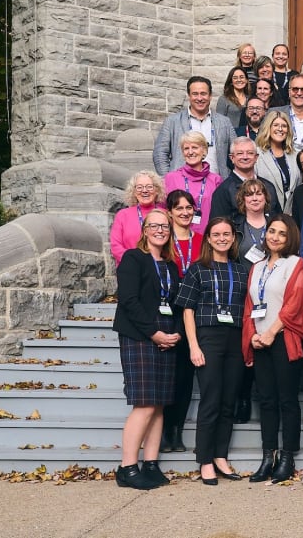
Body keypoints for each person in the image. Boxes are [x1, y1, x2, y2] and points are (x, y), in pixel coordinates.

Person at [175, 217, 248, 484]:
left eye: (226, 234)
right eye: (216, 234)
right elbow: (187, 310)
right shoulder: (197, 269)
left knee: (229, 400)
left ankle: (220, 456)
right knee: (211, 400)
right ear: (208, 238)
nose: (221, 238)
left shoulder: (241, 270)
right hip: (208, 337)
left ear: (233, 238)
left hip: (235, 338)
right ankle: (205, 460)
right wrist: (193, 345)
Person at [241, 214, 303, 484]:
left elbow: (295, 303)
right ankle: (267, 457)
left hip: (283, 339)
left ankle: (287, 457)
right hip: (260, 341)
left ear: (290, 238)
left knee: (287, 401)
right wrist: (253, 337)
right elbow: (250, 307)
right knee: (267, 401)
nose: (274, 237)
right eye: (272, 231)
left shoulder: (295, 264)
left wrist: (271, 332)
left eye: (281, 234)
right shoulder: (256, 267)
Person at [113, 207, 181, 490]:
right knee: (144, 404)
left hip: (165, 337)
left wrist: (174, 332)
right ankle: (127, 467)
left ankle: (151, 464)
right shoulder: (133, 258)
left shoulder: (171, 266)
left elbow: (176, 302)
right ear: (144, 230)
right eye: (154, 226)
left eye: (165, 227)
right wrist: (154, 333)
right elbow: (128, 300)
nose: (160, 231)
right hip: (140, 336)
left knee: (159, 405)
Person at [160, 190, 202, 454]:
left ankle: (177, 431)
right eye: (179, 208)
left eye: (189, 208)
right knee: (169, 375)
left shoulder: (202, 240)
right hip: (168, 312)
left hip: (194, 311)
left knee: (186, 377)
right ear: (170, 212)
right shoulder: (165, 241)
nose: (185, 212)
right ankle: (165, 429)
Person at [153, 76, 235, 178]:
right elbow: (160, 153)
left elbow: (236, 151)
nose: (199, 98)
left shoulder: (224, 122)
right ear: (189, 96)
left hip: (217, 185)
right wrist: (169, 179)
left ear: (210, 96)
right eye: (195, 94)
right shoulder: (172, 122)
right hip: (182, 187)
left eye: (203, 94)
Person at [163, 131, 223, 235]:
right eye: (186, 148)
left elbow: (220, 214)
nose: (190, 152)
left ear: (204, 150)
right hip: (177, 238)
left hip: (207, 238)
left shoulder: (216, 180)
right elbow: (163, 210)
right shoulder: (171, 178)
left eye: (194, 147)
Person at [209, 136, 282, 220]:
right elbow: (218, 227)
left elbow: (278, 220)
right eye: (240, 153)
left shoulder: (268, 187)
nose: (245, 157)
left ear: (256, 157)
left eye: (250, 153)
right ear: (232, 158)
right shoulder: (223, 191)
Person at [111, 171, 166, 264]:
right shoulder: (123, 215)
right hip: (131, 267)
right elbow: (115, 246)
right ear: (134, 192)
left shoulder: (165, 214)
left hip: (159, 267)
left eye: (149, 187)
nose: (144, 191)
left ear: (157, 190)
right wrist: (134, 261)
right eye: (139, 187)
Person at [250, 112, 299, 216]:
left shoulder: (296, 155)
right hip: (267, 215)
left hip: (293, 216)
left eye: (284, 126)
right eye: (276, 125)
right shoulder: (257, 155)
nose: (280, 129)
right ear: (268, 128)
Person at [231, 179, 273, 269]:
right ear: (243, 199)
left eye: (258, 194)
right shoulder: (234, 226)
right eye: (249, 195)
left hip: (271, 279)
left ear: (265, 197)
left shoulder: (275, 224)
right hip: (242, 280)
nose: (254, 198)